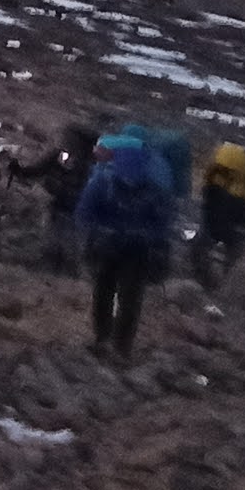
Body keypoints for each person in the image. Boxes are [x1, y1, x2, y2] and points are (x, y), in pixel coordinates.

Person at [76, 131, 181, 362]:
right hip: (117, 247)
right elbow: (85, 215)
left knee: (122, 295)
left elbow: (85, 215)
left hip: (129, 249)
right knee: (115, 294)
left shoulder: (105, 182)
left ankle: (113, 343)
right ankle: (111, 342)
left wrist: (131, 234)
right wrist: (135, 233)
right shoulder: (119, 184)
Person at [193, 136, 245, 290]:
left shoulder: (219, 173)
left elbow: (205, 196)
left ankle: (210, 283)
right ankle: (213, 285)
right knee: (220, 256)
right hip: (226, 223)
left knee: (206, 250)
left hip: (224, 223)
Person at [28, 116, 98, 271]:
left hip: (69, 203)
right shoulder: (79, 157)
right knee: (58, 231)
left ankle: (62, 264)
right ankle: (57, 262)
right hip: (62, 201)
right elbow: (40, 167)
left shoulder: (86, 162)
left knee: (64, 233)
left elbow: (41, 168)